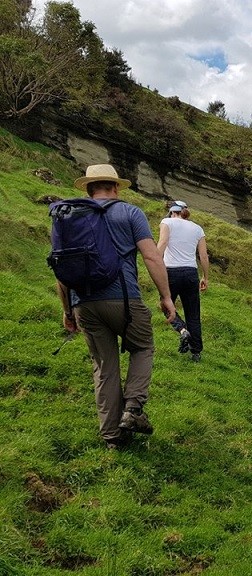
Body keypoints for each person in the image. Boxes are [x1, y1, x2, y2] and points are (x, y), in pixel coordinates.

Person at [55, 164, 176, 450]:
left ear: (88, 188)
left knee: (105, 367)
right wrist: (166, 297)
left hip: (83, 303)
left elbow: (61, 268)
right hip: (124, 300)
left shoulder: (69, 217)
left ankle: (113, 439)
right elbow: (152, 257)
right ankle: (133, 410)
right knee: (142, 347)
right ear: (116, 187)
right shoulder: (130, 212)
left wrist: (68, 310)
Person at [157, 200, 209, 362]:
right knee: (193, 313)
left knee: (166, 305)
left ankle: (182, 330)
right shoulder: (197, 228)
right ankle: (196, 353)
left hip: (171, 272)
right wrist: (205, 277)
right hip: (191, 273)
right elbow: (203, 255)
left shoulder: (167, 222)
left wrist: (154, 262)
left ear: (172, 212)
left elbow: (163, 243)